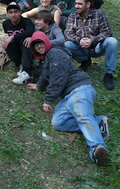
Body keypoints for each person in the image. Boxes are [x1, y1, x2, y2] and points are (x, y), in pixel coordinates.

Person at [26, 30, 110, 165]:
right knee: (59, 122)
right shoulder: (47, 59)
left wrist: (48, 99)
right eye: (35, 45)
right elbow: (46, 76)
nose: (39, 47)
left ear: (46, 42)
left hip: (79, 89)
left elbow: (58, 78)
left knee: (82, 116)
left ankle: (97, 149)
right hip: (67, 97)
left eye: (41, 43)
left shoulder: (56, 53)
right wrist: (39, 86)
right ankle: (98, 121)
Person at [64, 0, 119, 90]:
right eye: (76, 4)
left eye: (80, 4)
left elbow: (107, 32)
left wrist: (92, 40)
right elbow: (68, 33)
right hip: (81, 47)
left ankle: (109, 74)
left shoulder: (99, 14)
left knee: (112, 41)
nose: (76, 6)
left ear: (88, 4)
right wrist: (79, 40)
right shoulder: (72, 16)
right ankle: (85, 61)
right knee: (67, 44)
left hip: (97, 47)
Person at [1, 1, 36, 85]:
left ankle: (28, 72)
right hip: (16, 48)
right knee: (9, 43)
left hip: (27, 49)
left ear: (20, 12)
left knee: (26, 40)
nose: (13, 15)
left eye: (16, 12)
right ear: (7, 14)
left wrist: (13, 37)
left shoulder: (26, 21)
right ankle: (20, 64)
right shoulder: (6, 24)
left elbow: (30, 30)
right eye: (11, 12)